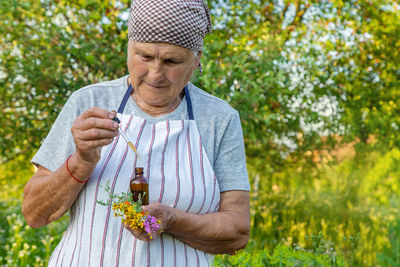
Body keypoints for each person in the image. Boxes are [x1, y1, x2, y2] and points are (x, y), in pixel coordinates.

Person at [22, 0, 250, 266]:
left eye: (171, 61)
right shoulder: (89, 101)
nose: (155, 74)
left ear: (196, 58)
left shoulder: (218, 119)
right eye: (144, 56)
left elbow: (237, 233)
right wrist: (81, 161)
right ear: (129, 48)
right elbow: (35, 214)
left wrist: (173, 221)